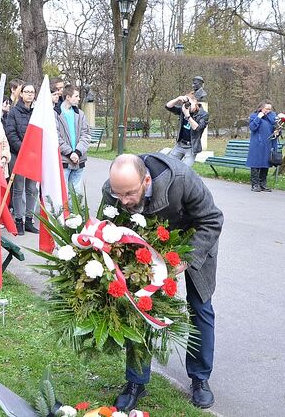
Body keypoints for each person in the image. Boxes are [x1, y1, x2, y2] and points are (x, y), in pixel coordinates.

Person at [104, 154, 223, 411]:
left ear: (146, 180)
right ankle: (136, 382)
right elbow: (107, 227)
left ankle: (200, 379)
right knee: (138, 306)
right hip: (143, 247)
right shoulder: (114, 189)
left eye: (130, 194)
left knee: (199, 306)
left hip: (193, 243)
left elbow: (212, 220)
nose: (123, 201)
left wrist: (183, 258)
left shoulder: (181, 179)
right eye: (118, 194)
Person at [5, 82, 39, 234]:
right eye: (27, 91)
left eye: (32, 92)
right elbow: (11, 133)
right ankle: (19, 220)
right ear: (21, 94)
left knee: (32, 189)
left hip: (33, 156)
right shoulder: (13, 112)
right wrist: (23, 150)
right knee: (18, 188)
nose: (30, 94)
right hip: (17, 154)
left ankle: (29, 220)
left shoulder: (37, 112)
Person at [56, 85, 91, 196]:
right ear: (68, 97)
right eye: (76, 96)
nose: (79, 98)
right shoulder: (55, 113)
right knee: (63, 192)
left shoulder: (80, 114)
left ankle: (75, 213)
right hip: (64, 159)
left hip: (79, 159)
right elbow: (56, 137)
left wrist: (77, 152)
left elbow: (86, 134)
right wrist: (70, 153)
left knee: (76, 193)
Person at [164, 93, 208, 167]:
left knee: (184, 169)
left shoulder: (203, 114)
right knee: (169, 165)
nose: (188, 106)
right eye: (187, 104)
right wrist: (178, 98)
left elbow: (197, 128)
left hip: (191, 147)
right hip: (180, 144)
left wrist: (187, 116)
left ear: (195, 102)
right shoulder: (183, 110)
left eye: (190, 103)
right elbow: (168, 106)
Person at [247, 100, 277, 192]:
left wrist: (277, 132)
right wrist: (259, 117)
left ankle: (263, 184)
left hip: (267, 143)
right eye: (266, 108)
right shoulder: (254, 116)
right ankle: (255, 184)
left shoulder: (273, 117)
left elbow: (275, 128)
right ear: (261, 108)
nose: (268, 111)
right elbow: (252, 127)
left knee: (265, 163)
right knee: (255, 163)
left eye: (269, 109)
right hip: (257, 143)